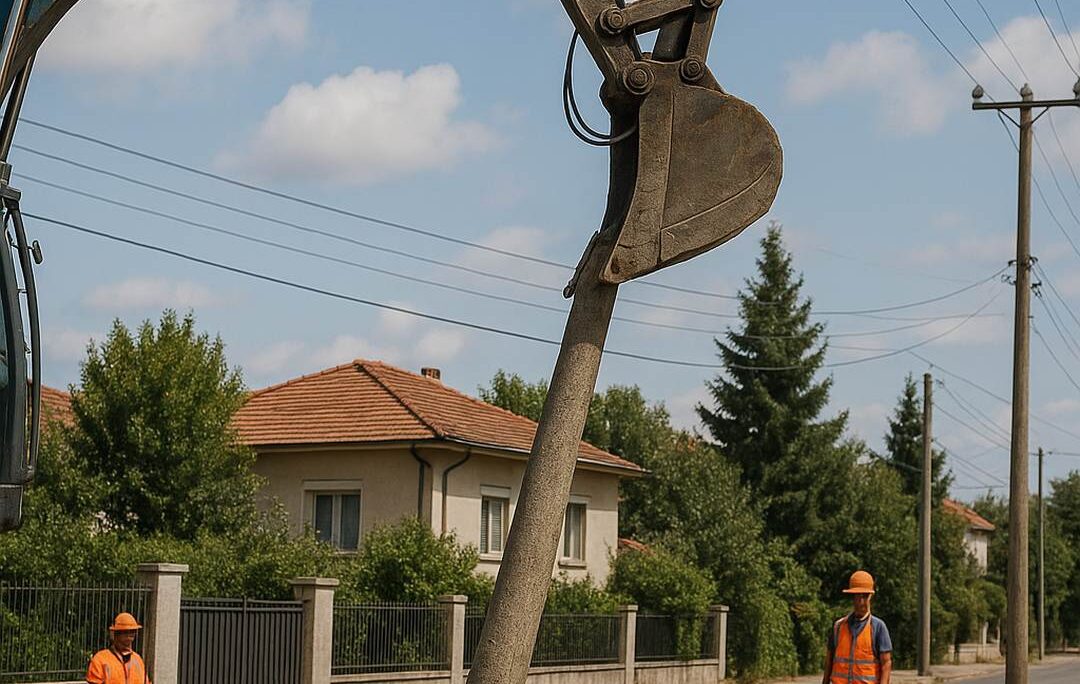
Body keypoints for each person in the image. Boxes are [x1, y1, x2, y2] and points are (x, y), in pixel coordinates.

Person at [823, 570, 892, 684]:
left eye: (864, 596)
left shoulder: (878, 627)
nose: (861, 601)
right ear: (852, 597)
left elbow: (886, 664)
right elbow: (829, 662)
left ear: (870, 597)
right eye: (857, 596)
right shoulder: (838, 627)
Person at [85, 612, 151, 684]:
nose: (129, 635)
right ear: (115, 634)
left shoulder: (138, 660)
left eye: (132, 631)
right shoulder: (100, 660)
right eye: (126, 632)